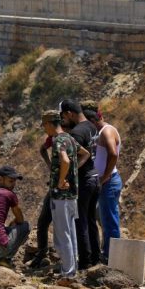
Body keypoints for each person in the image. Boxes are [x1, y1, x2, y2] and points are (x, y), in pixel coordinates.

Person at [44, 109, 85, 278]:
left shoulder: (59, 139)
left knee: (62, 233)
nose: (44, 129)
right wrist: (71, 173)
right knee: (70, 231)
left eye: (44, 125)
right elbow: (85, 154)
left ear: (48, 124)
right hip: (72, 195)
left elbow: (66, 160)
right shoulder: (70, 138)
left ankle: (67, 272)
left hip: (60, 196)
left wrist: (61, 180)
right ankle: (72, 268)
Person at [60, 99, 100, 269]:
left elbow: (70, 161)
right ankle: (96, 258)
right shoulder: (91, 127)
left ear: (69, 113)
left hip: (84, 181)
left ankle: (85, 261)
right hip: (95, 177)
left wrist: (65, 178)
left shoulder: (76, 133)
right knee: (91, 220)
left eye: (64, 116)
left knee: (80, 221)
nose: (64, 120)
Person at [83, 102, 122, 263]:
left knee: (109, 220)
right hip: (103, 182)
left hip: (109, 182)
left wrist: (104, 177)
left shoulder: (107, 131)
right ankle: (105, 253)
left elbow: (113, 154)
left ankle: (112, 257)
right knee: (103, 219)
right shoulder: (100, 131)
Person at [27, 126, 54, 270]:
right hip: (56, 185)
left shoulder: (69, 136)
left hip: (66, 186)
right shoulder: (54, 138)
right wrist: (51, 167)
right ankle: (42, 253)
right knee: (43, 222)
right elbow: (43, 149)